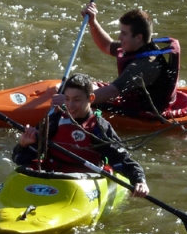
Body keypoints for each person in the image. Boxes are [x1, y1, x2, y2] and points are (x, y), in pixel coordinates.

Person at [13, 73, 149, 198]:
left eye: (76, 100)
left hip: (82, 183)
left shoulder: (99, 127)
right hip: (50, 178)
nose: (70, 105)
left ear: (91, 98)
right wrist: (23, 145)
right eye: (67, 99)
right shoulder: (54, 120)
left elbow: (122, 160)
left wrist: (139, 180)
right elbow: (20, 159)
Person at [71, 3, 179, 116]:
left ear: (138, 37)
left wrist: (70, 102)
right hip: (131, 100)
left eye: (124, 33)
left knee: (87, 101)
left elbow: (112, 91)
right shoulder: (136, 46)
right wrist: (93, 22)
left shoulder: (143, 65)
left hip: (147, 112)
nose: (119, 37)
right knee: (72, 88)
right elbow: (107, 45)